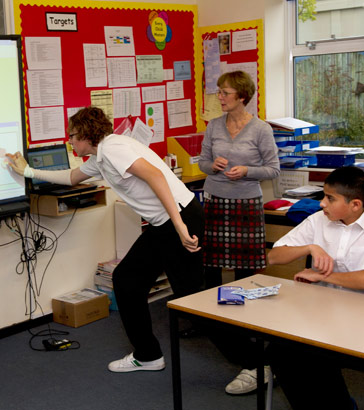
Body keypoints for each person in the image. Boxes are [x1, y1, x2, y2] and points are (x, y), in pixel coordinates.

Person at [6, 106, 205, 373]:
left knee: (192, 298)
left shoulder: (113, 148)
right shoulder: (100, 157)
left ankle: (254, 363)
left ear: (87, 134)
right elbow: (72, 177)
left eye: (73, 135)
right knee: (126, 280)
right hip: (166, 223)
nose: (70, 141)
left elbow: (156, 176)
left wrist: (180, 226)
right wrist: (29, 172)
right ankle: (148, 355)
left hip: (179, 219)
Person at [198, 70, 280, 395]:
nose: (220, 97)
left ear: (242, 96)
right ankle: (220, 326)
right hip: (215, 200)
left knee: (246, 277)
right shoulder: (214, 126)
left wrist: (247, 170)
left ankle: (249, 329)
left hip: (246, 205)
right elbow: (202, 161)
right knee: (211, 272)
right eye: (219, 92)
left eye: (226, 92)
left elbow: (274, 169)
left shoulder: (261, 129)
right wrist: (211, 166)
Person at [266, 166, 364, 410]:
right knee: (281, 351)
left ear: (355, 205)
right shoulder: (319, 220)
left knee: (318, 356)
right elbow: (275, 257)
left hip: (358, 318)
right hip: (326, 312)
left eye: (330, 198)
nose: (322, 204)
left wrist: (324, 276)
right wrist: (309, 248)